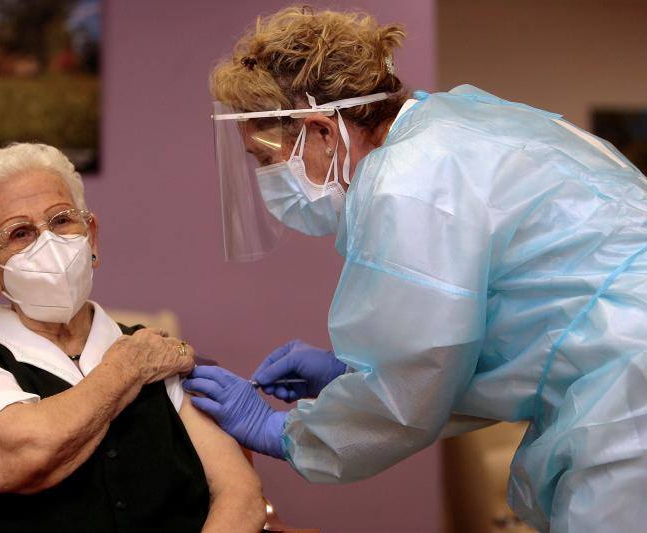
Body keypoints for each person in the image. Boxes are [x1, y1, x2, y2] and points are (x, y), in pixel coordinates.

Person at [182, 6, 647, 532]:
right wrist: (354, 373)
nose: (269, 179)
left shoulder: (408, 178)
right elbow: (471, 340)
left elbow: (415, 381)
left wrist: (283, 431)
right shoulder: (454, 125)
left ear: (321, 131)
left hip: (631, 395)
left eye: (268, 160)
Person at [0, 143, 266, 533]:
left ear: (91, 236)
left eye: (62, 221)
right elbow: (32, 452)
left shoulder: (152, 351)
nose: (49, 243)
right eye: (20, 232)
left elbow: (239, 494)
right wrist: (128, 368)